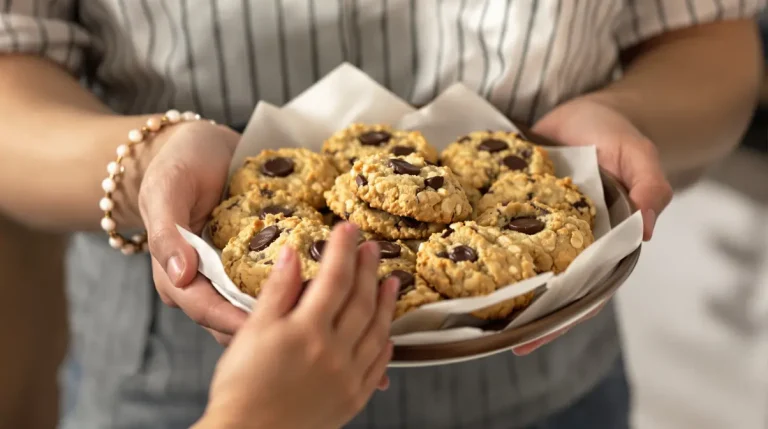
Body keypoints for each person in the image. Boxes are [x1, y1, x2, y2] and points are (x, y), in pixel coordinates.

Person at [0, 1, 762, 428]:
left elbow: (712, 38)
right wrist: (145, 163)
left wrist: (621, 119)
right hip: (177, 386)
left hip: (545, 382)